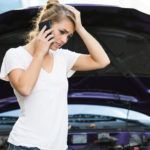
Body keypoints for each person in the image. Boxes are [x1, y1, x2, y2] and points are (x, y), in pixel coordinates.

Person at [0, 0, 110, 150]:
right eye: (62, 32)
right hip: (26, 145)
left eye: (69, 36)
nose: (64, 40)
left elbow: (102, 61)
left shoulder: (63, 58)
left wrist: (80, 28)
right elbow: (25, 88)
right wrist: (39, 53)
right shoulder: (15, 55)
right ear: (45, 24)